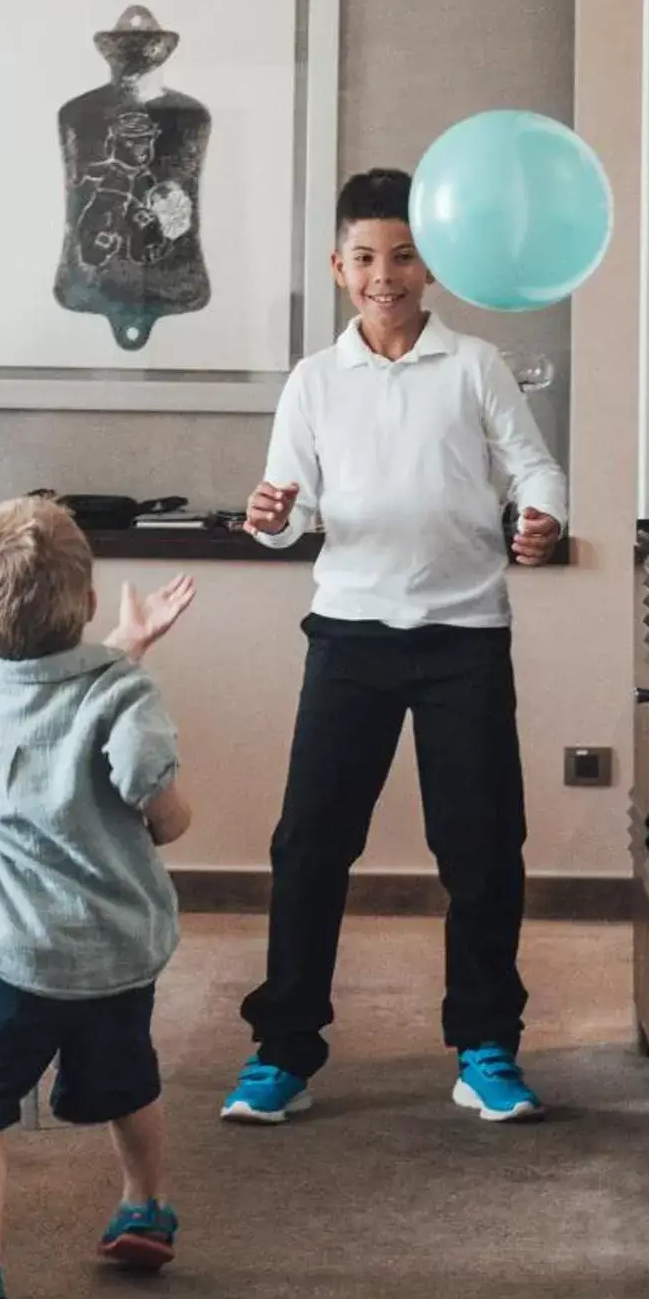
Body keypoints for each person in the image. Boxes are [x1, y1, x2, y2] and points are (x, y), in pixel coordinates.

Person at [222, 167, 566, 1129]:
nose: (386, 274)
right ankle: (283, 1049)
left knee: (483, 850)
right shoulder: (313, 381)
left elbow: (533, 466)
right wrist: (272, 518)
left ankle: (485, 1047)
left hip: (463, 636)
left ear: (432, 266)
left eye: (404, 255)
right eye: (367, 257)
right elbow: (287, 508)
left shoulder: (476, 367)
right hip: (349, 635)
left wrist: (539, 515)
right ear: (339, 268)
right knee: (308, 848)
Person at [0, 497, 197, 1299]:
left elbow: (48, 700)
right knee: (127, 1080)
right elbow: (160, 809)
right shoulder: (125, 694)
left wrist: (121, 655)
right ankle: (146, 1205)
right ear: (89, 604)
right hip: (115, 953)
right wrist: (131, 664)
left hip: (15, 956)